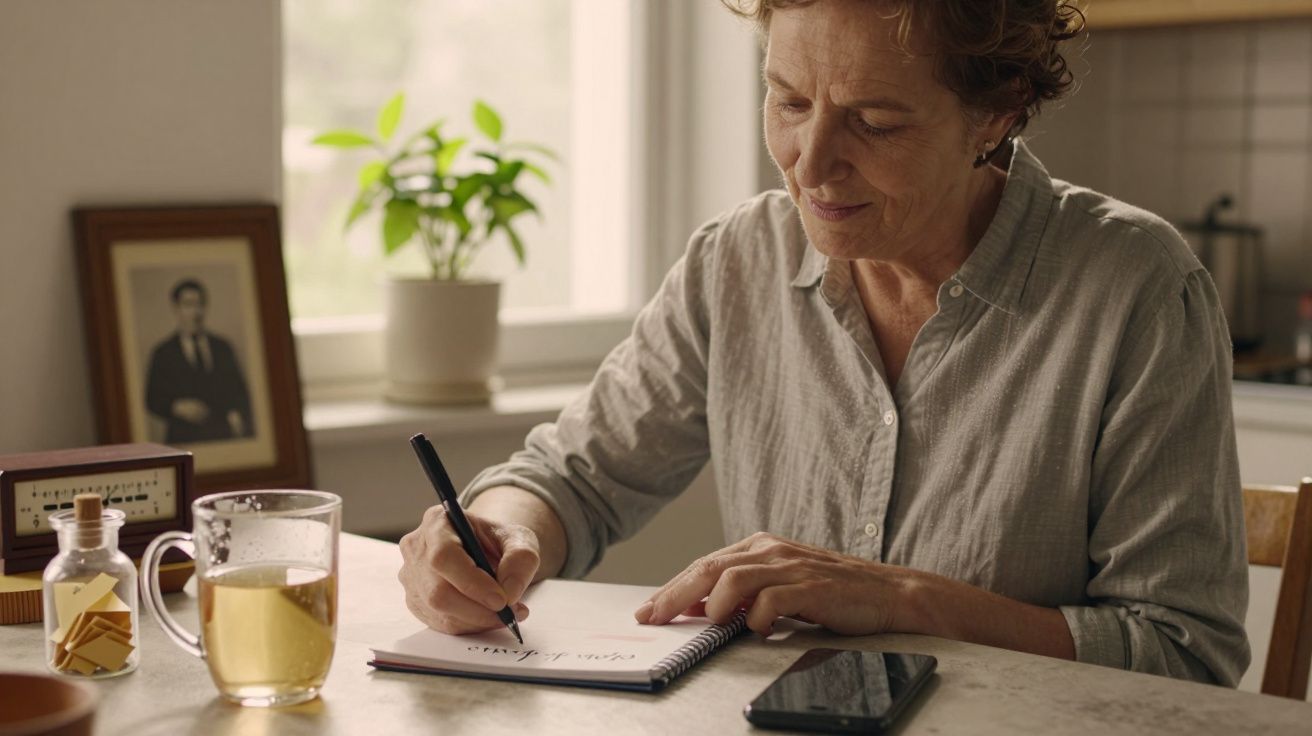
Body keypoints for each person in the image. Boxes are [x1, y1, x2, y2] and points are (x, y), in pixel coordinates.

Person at [399, 0, 1250, 686]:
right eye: (789, 101)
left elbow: (1184, 654)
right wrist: (497, 533)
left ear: (996, 113)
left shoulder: (1134, 287)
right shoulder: (738, 260)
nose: (810, 163)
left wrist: (904, 599)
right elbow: (570, 480)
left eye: (875, 122)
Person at [144, 278, 254, 444]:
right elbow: (152, 399)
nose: (196, 313)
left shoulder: (222, 348)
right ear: (177, 309)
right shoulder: (163, 353)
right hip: (183, 439)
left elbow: (239, 390)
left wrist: (236, 413)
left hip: (221, 435)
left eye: (200, 305)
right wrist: (177, 407)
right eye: (188, 305)